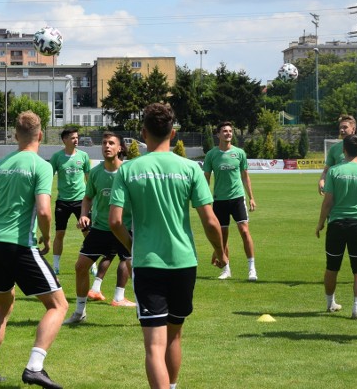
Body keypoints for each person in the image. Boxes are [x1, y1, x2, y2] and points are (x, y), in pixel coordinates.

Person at [109, 103, 227, 389]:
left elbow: (114, 222)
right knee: (174, 336)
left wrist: (132, 243)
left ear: (143, 132)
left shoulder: (128, 170)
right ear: (173, 133)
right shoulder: (189, 168)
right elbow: (211, 221)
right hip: (184, 262)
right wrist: (220, 252)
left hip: (148, 263)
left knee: (153, 347)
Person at [0, 111, 68, 389]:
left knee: (3, 306)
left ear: (14, 135)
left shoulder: (1, 165)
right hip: (19, 244)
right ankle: (35, 367)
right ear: (41, 134)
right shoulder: (41, 166)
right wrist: (47, 238)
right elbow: (44, 210)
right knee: (59, 305)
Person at [64, 132, 134, 325]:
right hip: (100, 228)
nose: (107, 146)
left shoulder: (128, 171)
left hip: (124, 228)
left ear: (120, 148)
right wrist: (84, 214)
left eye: (112, 143)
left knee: (135, 268)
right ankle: (80, 311)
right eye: (104, 143)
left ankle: (145, 310)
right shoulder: (95, 173)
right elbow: (87, 198)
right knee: (80, 266)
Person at [316, 134, 357, 319]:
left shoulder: (334, 171)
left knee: (332, 267)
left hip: (336, 225)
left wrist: (320, 224)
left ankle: (330, 303)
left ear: (343, 149)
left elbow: (327, 202)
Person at [203, 121, 258, 281]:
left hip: (237, 198)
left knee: (245, 231)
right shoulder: (211, 155)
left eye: (230, 131)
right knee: (222, 236)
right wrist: (205, 200)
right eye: (224, 131)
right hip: (219, 200)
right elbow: (205, 178)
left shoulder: (239, 153)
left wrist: (251, 197)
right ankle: (226, 269)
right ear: (218, 134)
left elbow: (245, 176)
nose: (228, 133)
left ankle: (251, 269)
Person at [49, 128, 91, 275]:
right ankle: (55, 266)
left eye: (77, 137)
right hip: (62, 202)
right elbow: (48, 177)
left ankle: (91, 264)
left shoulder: (84, 156)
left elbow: (89, 179)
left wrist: (92, 199)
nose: (76, 140)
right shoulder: (57, 157)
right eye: (73, 138)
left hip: (81, 201)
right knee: (60, 233)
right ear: (64, 140)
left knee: (87, 233)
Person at [318, 114, 357, 194]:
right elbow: (326, 170)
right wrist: (321, 181)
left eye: (345, 127)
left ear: (353, 129)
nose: (341, 130)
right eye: (340, 128)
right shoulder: (334, 148)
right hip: (338, 191)